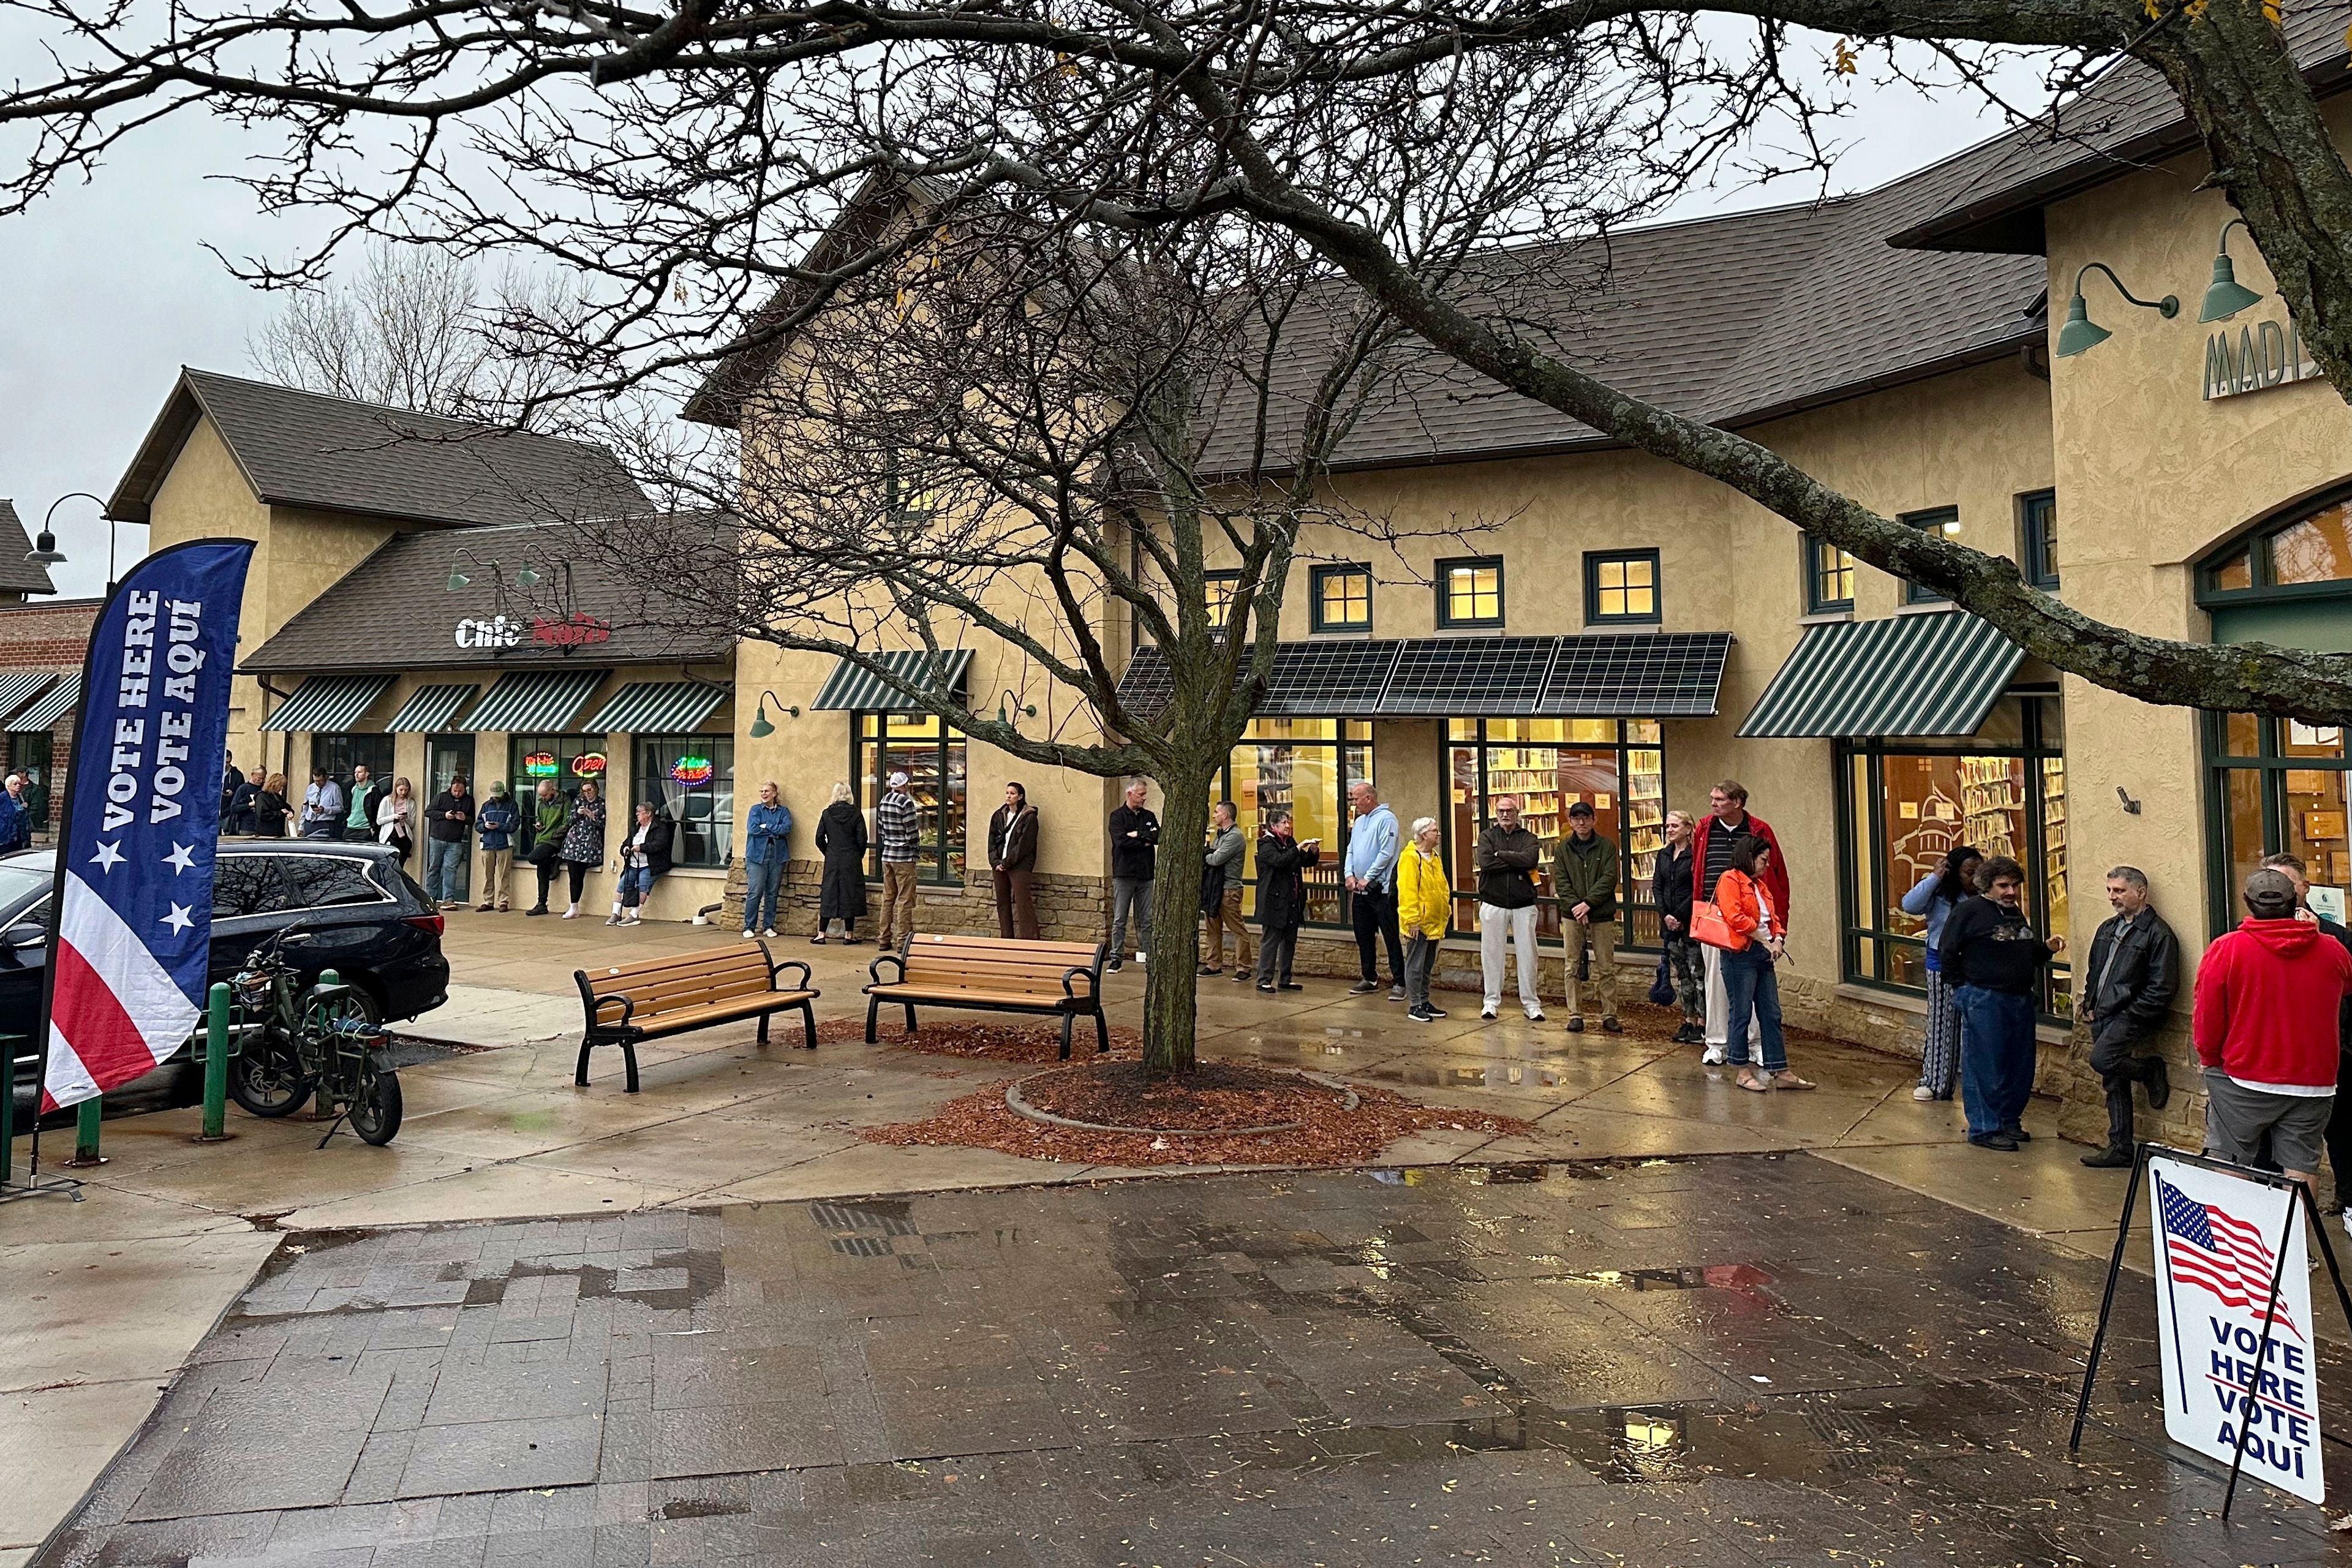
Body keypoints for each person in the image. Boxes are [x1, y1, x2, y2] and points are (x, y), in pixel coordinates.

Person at [2193, 866, 2352, 1190]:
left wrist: (2209, 1058)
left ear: (2247, 903)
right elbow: (2345, 987)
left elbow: (2207, 1015)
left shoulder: (2227, 948)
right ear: (2294, 900)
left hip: (2245, 1075)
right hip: (2313, 1079)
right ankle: (2294, 1240)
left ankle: (2237, 1239)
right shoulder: (2333, 949)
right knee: (2302, 1165)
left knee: (2232, 1157)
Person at [1941, 854, 2065, 1152]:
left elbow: (2023, 953)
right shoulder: (1968, 912)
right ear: (1987, 886)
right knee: (1986, 1065)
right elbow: (1947, 951)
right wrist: (1962, 990)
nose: (2011, 892)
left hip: (2020, 999)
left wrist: (2046, 950)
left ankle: (2008, 1120)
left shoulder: (2014, 914)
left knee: (2018, 1066)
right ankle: (1985, 1128)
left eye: (2015, 886)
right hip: (1984, 998)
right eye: (2003, 886)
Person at [2267, 854, 2352, 1231]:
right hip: (2273, 1055)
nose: (2279, 891)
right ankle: (2277, 1222)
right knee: (2277, 1142)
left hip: (2331, 1051)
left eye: (2286, 882)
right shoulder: (2246, 937)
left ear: (2304, 888)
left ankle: (2347, 1198)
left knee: (2343, 1130)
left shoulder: (2336, 937)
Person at [2078, 865, 2180, 1167]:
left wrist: (2133, 1013)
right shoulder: (2107, 929)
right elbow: (2096, 970)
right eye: (2110, 890)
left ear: (2140, 892)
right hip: (2103, 1013)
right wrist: (2090, 1003)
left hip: (2131, 1015)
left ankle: (2149, 1070)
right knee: (2113, 1079)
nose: (2113, 897)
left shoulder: (2158, 934)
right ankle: (2120, 1146)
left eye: (2119, 891)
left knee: (2102, 1060)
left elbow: (2162, 987)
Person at [1692, 781, 1785, 1065]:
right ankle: (1716, 1042)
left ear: (1737, 803)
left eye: (1720, 799)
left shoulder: (1759, 830)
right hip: (1714, 917)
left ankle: (1754, 1043)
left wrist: (1777, 927)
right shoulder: (1705, 828)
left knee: (1754, 983)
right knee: (1715, 981)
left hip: (1752, 918)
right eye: (1713, 798)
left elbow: (1777, 874)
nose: (1713, 804)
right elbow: (1697, 867)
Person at [1715, 835, 1811, 1091]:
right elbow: (1735, 917)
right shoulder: (1730, 879)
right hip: (1741, 954)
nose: (1766, 865)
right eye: (1763, 860)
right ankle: (1742, 1070)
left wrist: (1778, 939)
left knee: (1771, 1013)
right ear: (1749, 857)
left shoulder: (1761, 886)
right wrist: (1763, 938)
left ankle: (1780, 1069)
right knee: (1742, 1013)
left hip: (1764, 954)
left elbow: (1773, 918)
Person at [1900, 844, 1983, 1102]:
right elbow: (1909, 905)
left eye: (1979, 872)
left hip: (1976, 967)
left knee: (1976, 1029)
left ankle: (1975, 1087)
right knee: (1942, 1024)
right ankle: (1935, 1082)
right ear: (1955, 872)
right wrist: (1935, 877)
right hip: (1942, 965)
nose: (1975, 879)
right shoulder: (1939, 895)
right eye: (1969, 872)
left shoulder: (1984, 898)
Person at [1473, 794, 1545, 1023]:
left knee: (1528, 955)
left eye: (1510, 811)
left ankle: (1531, 1004)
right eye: (1501, 811)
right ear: (1496, 814)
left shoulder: (1529, 837)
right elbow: (1486, 864)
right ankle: (1491, 1002)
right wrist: (1516, 861)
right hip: (1493, 903)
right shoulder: (1486, 836)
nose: (1505, 815)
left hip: (1523, 904)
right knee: (1492, 955)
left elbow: (1530, 859)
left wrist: (1501, 855)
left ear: (1517, 813)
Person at [1553, 799, 1621, 1034]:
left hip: (1601, 914)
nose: (1581, 822)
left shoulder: (1607, 847)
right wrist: (1575, 906)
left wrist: (1588, 904)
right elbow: (1561, 881)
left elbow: (1609, 878)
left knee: (1606, 967)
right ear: (1570, 822)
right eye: (1576, 819)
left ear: (1594, 820)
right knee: (1571, 965)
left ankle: (1609, 1015)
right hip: (1572, 916)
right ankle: (1575, 1015)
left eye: (1586, 818)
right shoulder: (1562, 849)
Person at [1343, 782, 1406, 1000]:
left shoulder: (1387, 820)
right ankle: (1369, 977)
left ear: (1369, 798)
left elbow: (1386, 853)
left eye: (1356, 798)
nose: (1354, 803)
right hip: (1359, 891)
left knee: (1390, 936)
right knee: (1364, 936)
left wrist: (1368, 878)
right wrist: (1349, 875)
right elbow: (1350, 850)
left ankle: (1400, 981)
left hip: (1380, 891)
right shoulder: (1359, 822)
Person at [1652, 810, 1703, 1044]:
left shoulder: (1695, 856)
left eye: (1674, 826)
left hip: (1690, 923)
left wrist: (1680, 915)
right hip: (1670, 926)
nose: (1670, 830)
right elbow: (1657, 886)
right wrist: (1666, 916)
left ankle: (1702, 1023)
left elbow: (1696, 888)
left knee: (1697, 974)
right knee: (1682, 974)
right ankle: (1688, 1019)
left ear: (1688, 828)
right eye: (1667, 826)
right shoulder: (1664, 855)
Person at [1254, 809, 1317, 992]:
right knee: (1271, 940)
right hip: (1274, 902)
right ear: (1274, 826)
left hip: (1291, 900)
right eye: (1284, 823)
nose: (1288, 825)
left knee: (1290, 940)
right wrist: (1297, 849)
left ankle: (1286, 978)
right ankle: (1264, 980)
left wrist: (1312, 852)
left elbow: (1302, 861)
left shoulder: (1289, 842)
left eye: (1288, 822)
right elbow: (1279, 861)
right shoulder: (1266, 844)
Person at [1398, 816, 1450, 1023]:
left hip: (1434, 920)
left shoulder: (1434, 857)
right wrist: (1412, 920)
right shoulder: (1411, 858)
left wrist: (1445, 909)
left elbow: (1442, 885)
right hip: (1419, 923)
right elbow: (1408, 891)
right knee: (1415, 965)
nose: (1438, 834)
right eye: (1435, 831)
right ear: (1423, 835)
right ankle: (1415, 1004)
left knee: (1427, 965)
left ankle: (1425, 1000)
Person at [1107, 778, 1159, 971]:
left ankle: (1150, 957)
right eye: (1141, 794)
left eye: (1145, 794)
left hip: (1145, 874)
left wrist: (1137, 834)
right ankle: (1116, 958)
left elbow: (1157, 836)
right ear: (1130, 794)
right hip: (1124, 874)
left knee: (1146, 918)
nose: (1145, 798)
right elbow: (1121, 842)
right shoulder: (1117, 817)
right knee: (1120, 918)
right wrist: (1144, 840)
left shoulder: (1149, 816)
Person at [1199, 802, 1254, 979]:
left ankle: (1244, 967)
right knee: (1212, 928)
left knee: (1237, 929)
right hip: (1213, 889)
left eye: (1217, 812)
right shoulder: (1219, 836)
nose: (1214, 815)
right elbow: (1213, 854)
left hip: (1229, 890)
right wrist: (1210, 853)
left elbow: (1217, 859)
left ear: (1226, 816)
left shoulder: (1235, 837)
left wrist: (1207, 853)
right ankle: (1214, 964)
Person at [814, 781, 869, 943]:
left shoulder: (827, 814)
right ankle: (849, 935)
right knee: (850, 893)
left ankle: (821, 934)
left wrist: (828, 852)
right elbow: (862, 838)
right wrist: (857, 855)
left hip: (833, 857)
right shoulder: (856, 814)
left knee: (829, 892)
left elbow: (819, 838)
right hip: (851, 858)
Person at [875, 770, 922, 949]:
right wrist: (916, 851)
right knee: (905, 899)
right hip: (903, 856)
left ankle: (884, 938)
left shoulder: (884, 801)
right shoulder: (906, 803)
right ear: (904, 785)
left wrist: (888, 842)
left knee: (888, 898)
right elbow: (912, 831)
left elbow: (881, 829)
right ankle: (903, 941)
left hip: (887, 855)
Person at [987, 782, 1041, 940]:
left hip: (1019, 866)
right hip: (1000, 865)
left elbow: (1024, 845)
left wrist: (1008, 862)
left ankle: (1029, 940)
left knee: (1022, 902)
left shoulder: (1029, 817)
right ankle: (1007, 938)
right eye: (1007, 793)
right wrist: (995, 862)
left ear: (1020, 797)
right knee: (1002, 903)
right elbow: (991, 840)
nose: (1009, 796)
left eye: (1012, 793)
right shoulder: (999, 815)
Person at [609, 801, 674, 926]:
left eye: (640, 812)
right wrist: (625, 849)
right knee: (622, 885)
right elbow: (626, 843)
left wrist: (642, 847)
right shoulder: (637, 828)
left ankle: (634, 915)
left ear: (649, 814)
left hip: (651, 865)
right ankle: (615, 914)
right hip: (633, 864)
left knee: (643, 886)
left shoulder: (660, 827)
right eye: (637, 812)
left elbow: (659, 844)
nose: (637, 815)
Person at [742, 782, 792, 938]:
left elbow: (786, 828)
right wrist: (774, 830)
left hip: (777, 855)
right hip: (757, 856)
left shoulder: (783, 812)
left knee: (772, 893)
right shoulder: (756, 810)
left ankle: (768, 926)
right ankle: (749, 926)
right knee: (755, 892)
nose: (764, 794)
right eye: (762, 791)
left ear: (775, 794)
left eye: (767, 791)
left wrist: (767, 826)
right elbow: (753, 829)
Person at [557, 779, 606, 919]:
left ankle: (575, 907)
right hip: (574, 844)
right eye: (585, 791)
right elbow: (569, 820)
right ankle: (573, 906)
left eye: (590, 790)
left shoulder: (601, 804)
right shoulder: (579, 801)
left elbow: (602, 824)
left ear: (596, 789)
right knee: (573, 876)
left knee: (580, 875)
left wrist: (592, 816)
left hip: (589, 844)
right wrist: (579, 814)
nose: (588, 794)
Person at [423, 775, 474, 909]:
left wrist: (464, 818)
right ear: (451, 787)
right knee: (434, 868)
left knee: (450, 869)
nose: (457, 793)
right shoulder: (441, 797)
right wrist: (444, 815)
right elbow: (428, 812)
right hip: (437, 838)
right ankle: (430, 898)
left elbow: (472, 820)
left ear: (465, 789)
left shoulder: (469, 801)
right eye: (455, 790)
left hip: (455, 841)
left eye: (460, 791)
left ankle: (448, 899)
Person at [522, 779, 566, 916]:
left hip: (554, 840)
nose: (543, 798)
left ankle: (556, 859)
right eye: (541, 796)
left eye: (545, 795)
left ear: (553, 790)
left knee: (533, 857)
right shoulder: (542, 804)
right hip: (542, 838)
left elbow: (567, 822)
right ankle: (542, 903)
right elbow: (539, 817)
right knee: (542, 871)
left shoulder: (565, 802)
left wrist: (555, 834)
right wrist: (539, 824)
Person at [474, 782, 519, 912]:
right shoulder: (486, 806)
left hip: (504, 843)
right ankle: (488, 901)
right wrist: (485, 826)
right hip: (488, 843)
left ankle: (503, 901)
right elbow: (478, 825)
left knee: (504, 874)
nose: (496, 798)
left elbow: (515, 825)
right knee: (488, 875)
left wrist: (500, 826)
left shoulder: (512, 805)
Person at [375, 776, 417, 864]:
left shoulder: (410, 803)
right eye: (401, 790)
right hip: (391, 833)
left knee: (402, 859)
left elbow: (412, 824)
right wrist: (394, 817)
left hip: (404, 833)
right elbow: (379, 821)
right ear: (396, 788)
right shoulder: (387, 801)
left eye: (406, 790)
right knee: (391, 860)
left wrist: (405, 819)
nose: (403, 793)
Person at [346, 763, 385, 845]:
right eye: (355, 772)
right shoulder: (352, 789)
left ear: (367, 774)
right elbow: (347, 808)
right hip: (350, 827)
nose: (356, 775)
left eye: (359, 772)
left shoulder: (374, 792)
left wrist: (374, 829)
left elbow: (378, 811)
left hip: (366, 829)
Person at [300, 766, 343, 840]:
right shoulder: (311, 788)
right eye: (315, 781)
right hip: (309, 822)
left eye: (320, 781)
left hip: (324, 823)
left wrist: (325, 810)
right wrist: (301, 826)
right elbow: (305, 808)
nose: (317, 783)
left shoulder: (334, 788)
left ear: (326, 777)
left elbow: (340, 808)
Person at [252, 772, 291, 838]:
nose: (282, 788)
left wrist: (289, 812)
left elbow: (287, 807)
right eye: (281, 786)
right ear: (274, 784)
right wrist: (281, 813)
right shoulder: (262, 796)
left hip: (278, 833)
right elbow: (262, 815)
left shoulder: (278, 797)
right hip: (266, 833)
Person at [228, 771, 260, 836]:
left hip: (261, 826)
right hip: (246, 826)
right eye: (259, 778)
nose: (261, 781)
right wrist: (250, 805)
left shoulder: (264, 789)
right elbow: (234, 807)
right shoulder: (243, 788)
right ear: (253, 775)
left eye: (263, 778)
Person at [220, 752, 246, 832]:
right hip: (214, 809)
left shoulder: (237, 775)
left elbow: (242, 793)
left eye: (228, 762)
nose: (226, 765)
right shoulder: (213, 773)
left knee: (229, 833)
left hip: (229, 809)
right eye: (224, 762)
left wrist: (233, 794)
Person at [0, 774, 24, 853]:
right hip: (5, 836)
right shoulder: (2, 798)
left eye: (19, 784)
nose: (18, 786)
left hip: (18, 836)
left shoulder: (20, 798)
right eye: (15, 784)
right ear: (9, 785)